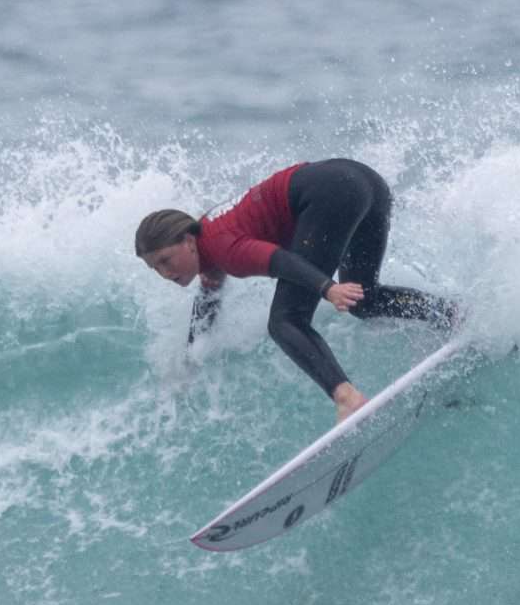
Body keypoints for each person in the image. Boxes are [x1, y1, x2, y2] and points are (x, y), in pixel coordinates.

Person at [134, 159, 456, 422]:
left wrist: (327, 288)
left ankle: (347, 398)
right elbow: (208, 299)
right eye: (155, 268)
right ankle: (452, 314)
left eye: (165, 260)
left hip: (332, 194)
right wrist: (192, 357)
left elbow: (281, 261)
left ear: (187, 242)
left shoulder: (223, 249)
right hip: (365, 183)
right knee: (365, 299)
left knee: (286, 320)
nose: (164, 273)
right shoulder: (205, 238)